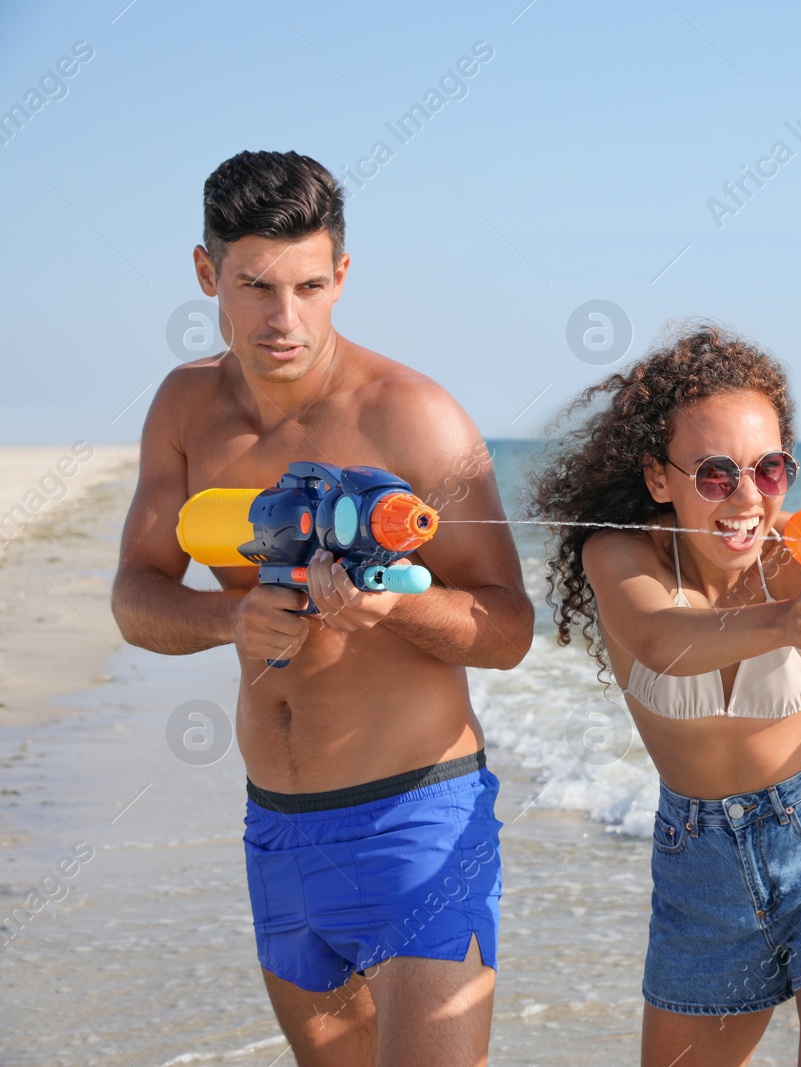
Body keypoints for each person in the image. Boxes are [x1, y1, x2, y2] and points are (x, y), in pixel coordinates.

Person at [111, 150, 533, 1067]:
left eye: (309, 285)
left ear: (342, 274)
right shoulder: (185, 409)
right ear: (205, 272)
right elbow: (135, 597)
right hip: (278, 833)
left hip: (416, 822)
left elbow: (510, 628)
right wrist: (230, 620)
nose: (283, 318)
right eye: (255, 285)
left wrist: (397, 613)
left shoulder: (415, 418)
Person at [532, 326, 801, 1067]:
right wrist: (787, 621)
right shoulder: (620, 552)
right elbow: (658, 637)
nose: (747, 498)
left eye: (769, 469)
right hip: (700, 866)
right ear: (658, 477)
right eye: (715, 473)